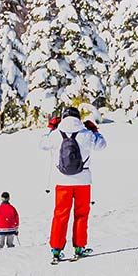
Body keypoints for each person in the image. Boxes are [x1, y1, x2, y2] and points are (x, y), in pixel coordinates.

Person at [41, 106, 107, 262]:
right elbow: (102, 145)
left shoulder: (57, 134)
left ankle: (56, 249)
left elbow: (42, 144)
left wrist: (51, 128)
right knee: (81, 215)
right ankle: (79, 247)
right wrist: (95, 130)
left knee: (60, 215)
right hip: (83, 181)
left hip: (62, 182)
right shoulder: (86, 134)